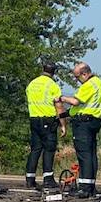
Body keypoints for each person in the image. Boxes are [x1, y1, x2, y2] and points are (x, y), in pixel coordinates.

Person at [59, 62, 101, 198]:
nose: (77, 80)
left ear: (85, 74)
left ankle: (84, 188)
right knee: (91, 155)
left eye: (77, 77)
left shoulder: (88, 85)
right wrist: (65, 115)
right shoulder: (99, 83)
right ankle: (90, 186)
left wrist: (61, 98)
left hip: (83, 124)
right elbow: (80, 107)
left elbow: (75, 102)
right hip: (93, 121)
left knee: (84, 155)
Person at [24, 62, 63, 190]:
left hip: (34, 119)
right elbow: (58, 105)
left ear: (43, 69)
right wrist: (63, 124)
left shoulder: (32, 84)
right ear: (54, 73)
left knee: (35, 149)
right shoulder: (53, 85)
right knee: (49, 149)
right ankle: (48, 178)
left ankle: (30, 179)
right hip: (48, 119)